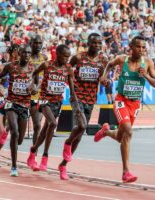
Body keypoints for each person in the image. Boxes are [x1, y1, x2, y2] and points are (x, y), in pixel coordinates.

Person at [94, 35, 155, 183]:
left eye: (144, 47)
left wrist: (146, 76)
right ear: (131, 47)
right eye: (138, 46)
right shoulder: (122, 60)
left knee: (121, 137)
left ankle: (106, 131)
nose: (141, 50)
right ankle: (126, 172)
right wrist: (104, 77)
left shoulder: (148, 62)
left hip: (135, 104)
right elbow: (109, 64)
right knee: (128, 131)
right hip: (121, 100)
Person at [58, 33, 108, 180]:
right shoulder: (78, 58)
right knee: (81, 125)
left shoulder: (103, 60)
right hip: (77, 96)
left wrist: (105, 81)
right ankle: (67, 143)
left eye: (99, 44)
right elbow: (68, 70)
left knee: (80, 133)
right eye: (94, 43)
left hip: (91, 99)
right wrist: (71, 89)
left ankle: (63, 165)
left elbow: (105, 77)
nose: (97, 46)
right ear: (88, 43)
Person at [27, 44, 81, 171]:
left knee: (46, 129)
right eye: (64, 56)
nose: (67, 59)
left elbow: (72, 88)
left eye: (69, 57)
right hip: (45, 99)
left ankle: (33, 151)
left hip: (58, 101)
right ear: (57, 54)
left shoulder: (68, 68)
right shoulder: (47, 65)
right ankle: (45, 156)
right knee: (52, 123)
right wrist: (33, 84)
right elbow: (34, 73)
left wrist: (76, 104)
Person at [0, 45, 36, 176]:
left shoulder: (33, 68)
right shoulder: (8, 66)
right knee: (13, 132)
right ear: (18, 53)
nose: (26, 55)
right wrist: (0, 88)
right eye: (23, 53)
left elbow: (36, 83)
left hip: (24, 105)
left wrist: (34, 89)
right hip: (10, 103)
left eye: (28, 53)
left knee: (18, 139)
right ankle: (14, 167)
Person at [29, 35, 48, 145]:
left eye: (40, 43)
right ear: (31, 44)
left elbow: (46, 75)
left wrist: (39, 86)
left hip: (38, 94)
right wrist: (30, 85)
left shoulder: (44, 58)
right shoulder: (26, 56)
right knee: (14, 128)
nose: (38, 45)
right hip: (24, 93)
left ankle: (33, 152)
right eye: (35, 43)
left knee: (37, 125)